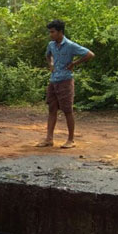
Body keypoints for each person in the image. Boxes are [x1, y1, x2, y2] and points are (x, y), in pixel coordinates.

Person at [37, 19, 94, 149]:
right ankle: (49, 139)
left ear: (60, 32)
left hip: (66, 81)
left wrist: (75, 63)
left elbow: (90, 54)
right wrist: (50, 64)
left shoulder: (70, 45)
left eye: (52, 32)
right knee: (52, 109)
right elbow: (48, 55)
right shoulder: (51, 45)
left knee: (67, 110)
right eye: (50, 32)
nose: (50, 34)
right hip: (53, 80)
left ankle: (71, 140)